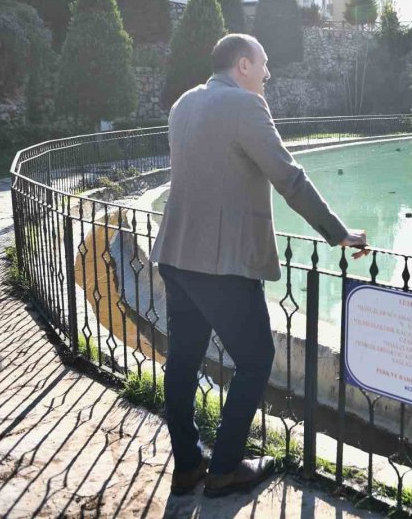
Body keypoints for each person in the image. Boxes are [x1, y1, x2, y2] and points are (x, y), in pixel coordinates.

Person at [150, 33, 369, 498]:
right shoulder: (245, 107)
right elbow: (289, 177)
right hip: (221, 265)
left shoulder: (183, 104)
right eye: (264, 64)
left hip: (174, 253)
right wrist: (338, 232)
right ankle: (226, 468)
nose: (268, 75)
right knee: (256, 360)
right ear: (243, 65)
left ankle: (188, 466)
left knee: (183, 362)